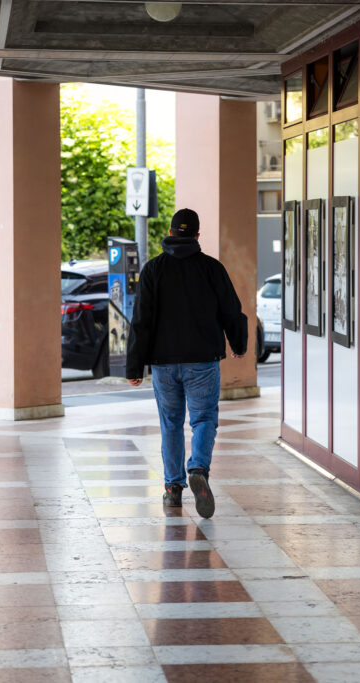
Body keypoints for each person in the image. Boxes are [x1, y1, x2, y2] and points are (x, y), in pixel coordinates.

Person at [126, 208, 248, 519]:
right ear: (196, 236)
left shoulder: (153, 270)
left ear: (168, 232)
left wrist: (134, 366)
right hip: (203, 362)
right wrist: (238, 343)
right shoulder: (211, 268)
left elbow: (141, 319)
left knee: (171, 424)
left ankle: (172, 490)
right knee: (204, 418)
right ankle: (198, 468)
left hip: (163, 364)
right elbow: (231, 310)